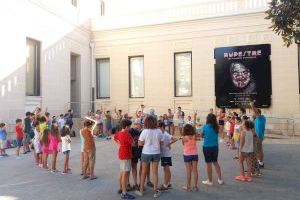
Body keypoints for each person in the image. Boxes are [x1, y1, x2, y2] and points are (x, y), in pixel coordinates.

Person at [135, 116, 163, 198]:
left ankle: (141, 190)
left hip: (146, 152)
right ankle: (155, 191)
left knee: (143, 172)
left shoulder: (144, 131)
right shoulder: (159, 131)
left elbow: (140, 143)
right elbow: (161, 143)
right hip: (156, 153)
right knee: (155, 172)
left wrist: (146, 143)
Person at [113, 119, 136, 200]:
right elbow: (133, 144)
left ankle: (121, 188)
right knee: (125, 174)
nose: (130, 128)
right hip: (126, 155)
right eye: (129, 126)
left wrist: (119, 144)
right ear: (126, 127)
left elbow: (114, 138)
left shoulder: (119, 133)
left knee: (122, 172)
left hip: (121, 154)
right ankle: (124, 192)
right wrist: (134, 140)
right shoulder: (127, 134)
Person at [201, 113, 224, 186]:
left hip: (207, 147)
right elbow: (221, 131)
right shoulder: (216, 127)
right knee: (215, 162)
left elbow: (202, 135)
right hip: (215, 147)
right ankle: (220, 179)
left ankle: (210, 181)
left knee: (208, 164)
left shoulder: (205, 126)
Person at [158, 121, 178, 191]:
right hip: (164, 154)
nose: (158, 129)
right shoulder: (163, 134)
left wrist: (169, 144)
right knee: (166, 169)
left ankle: (165, 185)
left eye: (158, 128)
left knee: (166, 169)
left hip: (166, 154)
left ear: (162, 127)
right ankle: (168, 183)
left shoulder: (165, 134)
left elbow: (175, 139)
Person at [182, 124, 199, 192]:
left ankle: (188, 187)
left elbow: (183, 144)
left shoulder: (184, 137)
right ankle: (195, 186)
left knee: (188, 171)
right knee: (195, 170)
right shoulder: (194, 136)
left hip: (187, 154)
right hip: (194, 154)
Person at [250, 102, 266, 168]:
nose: (252, 113)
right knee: (258, 150)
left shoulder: (261, 118)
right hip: (256, 136)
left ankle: (259, 163)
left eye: (253, 112)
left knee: (258, 151)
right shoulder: (255, 119)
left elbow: (256, 112)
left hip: (258, 137)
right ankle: (260, 162)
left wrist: (252, 105)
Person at [129, 119, 143, 191]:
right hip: (131, 151)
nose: (140, 125)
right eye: (139, 124)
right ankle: (129, 183)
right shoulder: (130, 131)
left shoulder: (141, 132)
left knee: (134, 166)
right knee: (129, 168)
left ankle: (135, 184)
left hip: (136, 151)